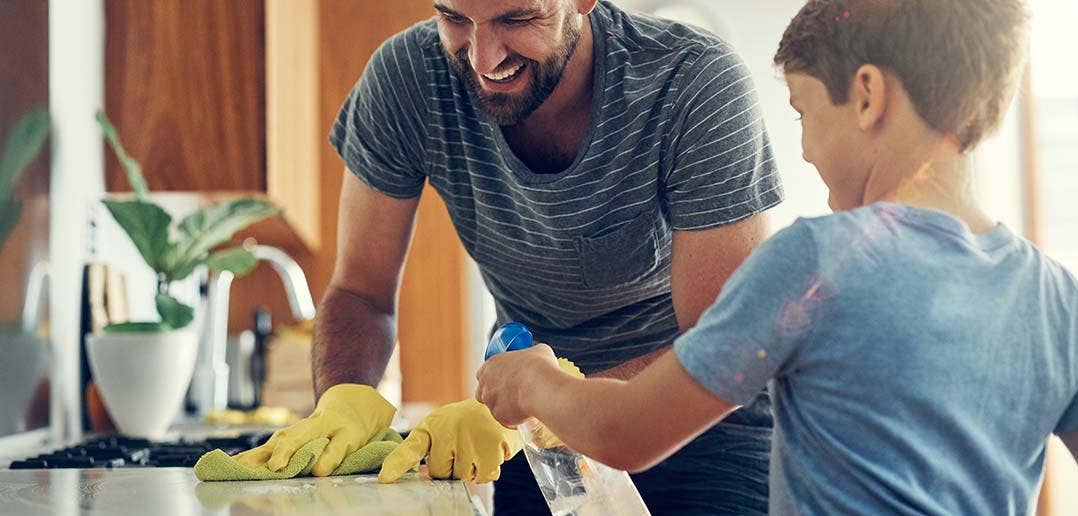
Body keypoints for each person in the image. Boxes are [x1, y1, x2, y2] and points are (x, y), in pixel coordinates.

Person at [476, 0, 1078, 513]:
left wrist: (536, 383)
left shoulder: (817, 264)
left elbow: (630, 431)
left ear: (867, 96)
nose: (807, 151)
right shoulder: (1057, 298)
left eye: (802, 113)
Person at [235, 0, 783, 513]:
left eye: (515, 19)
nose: (482, 57)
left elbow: (721, 346)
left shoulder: (693, 84)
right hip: (530, 440)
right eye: (454, 16)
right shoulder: (406, 78)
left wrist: (548, 398)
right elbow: (360, 290)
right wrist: (344, 400)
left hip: (702, 432)